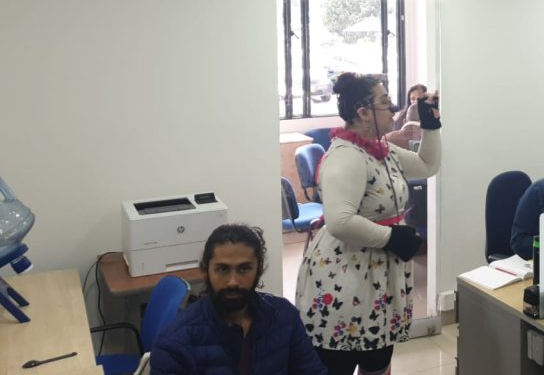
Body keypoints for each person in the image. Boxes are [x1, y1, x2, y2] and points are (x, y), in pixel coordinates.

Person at [295, 72, 441, 375]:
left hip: (377, 276)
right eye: (385, 102)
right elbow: (339, 221)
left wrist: (430, 126)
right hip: (346, 277)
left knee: (377, 360)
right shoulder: (346, 156)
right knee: (339, 362)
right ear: (363, 113)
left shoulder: (381, 149)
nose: (393, 108)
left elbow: (427, 165)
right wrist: (392, 237)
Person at [150, 224, 326, 375]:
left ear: (259, 269)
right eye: (222, 269)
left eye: (244, 269)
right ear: (205, 271)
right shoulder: (174, 343)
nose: (233, 282)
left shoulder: (284, 316)